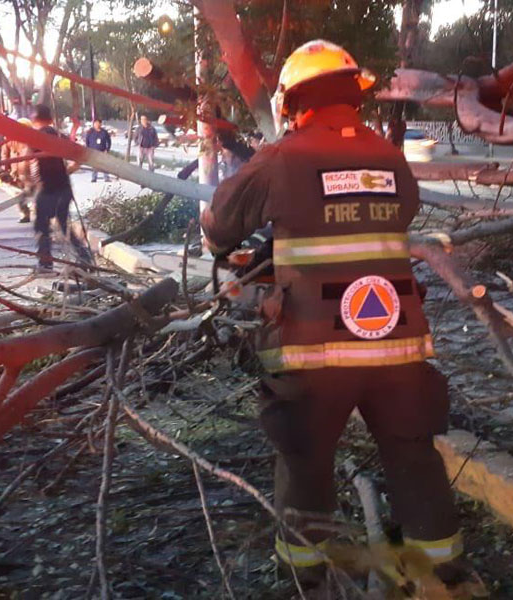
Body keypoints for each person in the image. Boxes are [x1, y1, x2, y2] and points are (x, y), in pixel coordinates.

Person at [201, 40, 479, 595]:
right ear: (353, 95)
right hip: (396, 345)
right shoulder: (389, 157)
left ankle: (308, 580)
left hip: (313, 351)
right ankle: (442, 575)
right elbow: (394, 216)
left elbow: (220, 230)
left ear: (294, 101)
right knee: (413, 457)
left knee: (305, 464)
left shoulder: (281, 158)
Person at [26, 105, 92, 274]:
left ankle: (45, 264)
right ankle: (86, 259)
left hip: (46, 189)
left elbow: (25, 164)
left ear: (34, 120)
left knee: (42, 227)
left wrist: (28, 183)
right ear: (50, 119)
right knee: (64, 226)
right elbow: (78, 160)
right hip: (63, 188)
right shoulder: (59, 136)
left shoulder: (35, 137)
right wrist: (66, 171)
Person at [0, 118, 35, 223]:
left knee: (33, 193)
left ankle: (39, 214)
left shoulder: (33, 139)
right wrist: (4, 170)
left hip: (30, 172)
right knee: (18, 195)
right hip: (15, 172)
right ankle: (25, 214)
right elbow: (4, 155)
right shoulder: (9, 138)